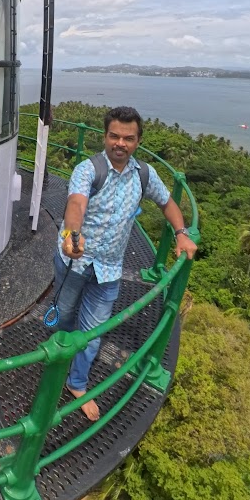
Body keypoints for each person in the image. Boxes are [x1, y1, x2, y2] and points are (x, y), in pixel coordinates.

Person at [53, 106, 198, 422]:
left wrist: (181, 233)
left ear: (138, 141)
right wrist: (71, 233)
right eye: (114, 136)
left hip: (108, 269)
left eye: (128, 138)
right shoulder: (88, 169)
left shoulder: (144, 175)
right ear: (105, 136)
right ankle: (57, 350)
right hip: (74, 261)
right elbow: (76, 203)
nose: (120, 143)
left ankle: (76, 382)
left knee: (93, 331)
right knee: (63, 315)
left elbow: (167, 202)